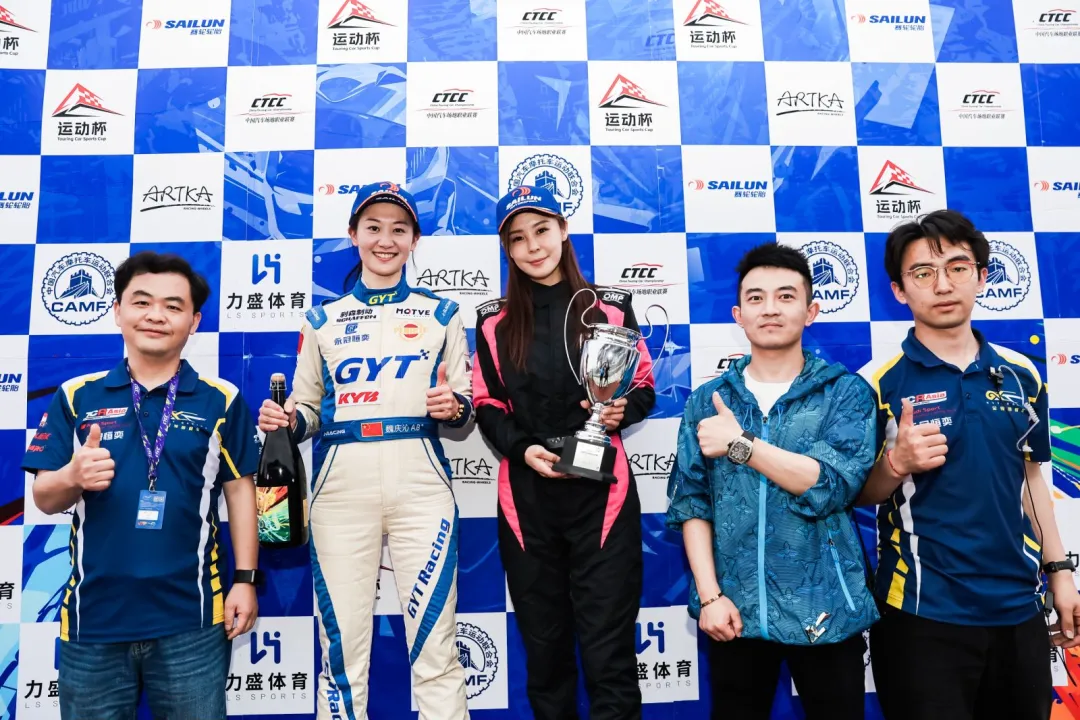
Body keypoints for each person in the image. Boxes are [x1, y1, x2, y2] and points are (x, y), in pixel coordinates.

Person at [258, 181, 473, 719]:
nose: (385, 240)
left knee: (437, 648)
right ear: (353, 235)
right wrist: (287, 421)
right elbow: (308, 410)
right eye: (373, 228)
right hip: (341, 488)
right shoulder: (322, 320)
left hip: (421, 485)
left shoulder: (443, 313)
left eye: (399, 230)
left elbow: (466, 404)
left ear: (414, 240)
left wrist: (453, 407)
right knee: (342, 654)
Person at [857, 209, 1080, 720]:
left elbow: (1031, 479)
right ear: (899, 291)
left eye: (958, 268)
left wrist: (1060, 572)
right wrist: (896, 463)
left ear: (981, 277)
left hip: (1019, 608)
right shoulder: (876, 382)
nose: (942, 285)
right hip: (921, 611)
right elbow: (856, 493)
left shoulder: (1021, 374)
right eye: (923, 273)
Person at [22, 251, 262, 720]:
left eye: (173, 306)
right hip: (94, 620)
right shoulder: (77, 395)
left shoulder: (222, 399)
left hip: (192, 618)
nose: (156, 315)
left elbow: (240, 492)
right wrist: (72, 476)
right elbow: (44, 497)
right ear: (118, 311)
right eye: (142, 302)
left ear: (194, 322)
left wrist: (245, 580)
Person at [665, 242, 880, 720]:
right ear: (739, 315)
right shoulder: (709, 400)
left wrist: (741, 444)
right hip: (734, 612)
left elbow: (831, 485)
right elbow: (691, 503)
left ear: (811, 311)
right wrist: (710, 597)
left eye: (786, 296)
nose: (770, 309)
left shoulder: (844, 393)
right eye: (756, 298)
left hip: (827, 611)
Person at [471, 184, 655, 720]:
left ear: (564, 230)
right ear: (506, 249)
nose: (533, 247)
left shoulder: (612, 308)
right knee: (546, 658)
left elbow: (643, 385)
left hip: (603, 499)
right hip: (527, 499)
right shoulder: (492, 321)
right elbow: (486, 403)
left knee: (609, 655)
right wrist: (523, 449)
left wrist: (621, 410)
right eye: (517, 238)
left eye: (542, 230)